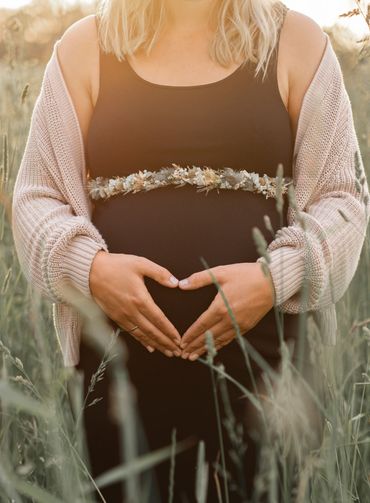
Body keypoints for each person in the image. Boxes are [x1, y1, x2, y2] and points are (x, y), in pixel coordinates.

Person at [11, 0, 369, 501]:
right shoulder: (86, 48)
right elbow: (36, 199)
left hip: (267, 365)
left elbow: (343, 203)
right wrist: (91, 271)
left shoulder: (298, 44)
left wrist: (273, 278)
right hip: (120, 370)